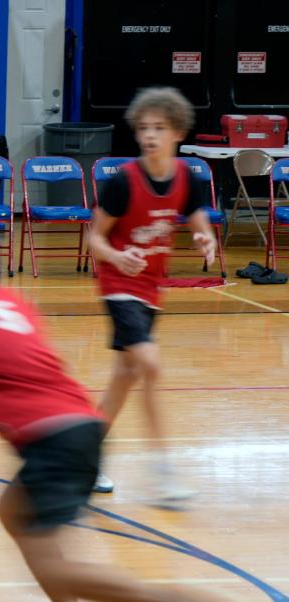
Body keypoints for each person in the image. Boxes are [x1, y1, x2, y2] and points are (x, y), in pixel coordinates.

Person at [0, 216, 221, 602]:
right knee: (12, 510)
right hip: (83, 422)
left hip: (49, 438)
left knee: (53, 563)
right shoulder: (7, 298)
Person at [88, 86, 216, 501]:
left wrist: (205, 240)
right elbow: (94, 240)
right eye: (143, 128)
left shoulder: (185, 178)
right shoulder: (124, 182)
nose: (150, 135)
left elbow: (198, 221)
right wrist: (117, 256)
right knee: (150, 366)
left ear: (177, 132)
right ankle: (164, 473)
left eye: (159, 128)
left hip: (151, 288)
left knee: (125, 378)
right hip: (119, 284)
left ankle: (83, 459)